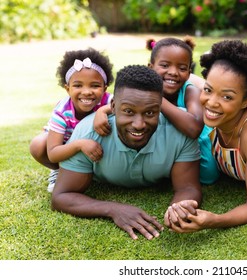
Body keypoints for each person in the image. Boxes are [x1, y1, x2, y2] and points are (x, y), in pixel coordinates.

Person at [51, 65, 202, 240]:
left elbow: (188, 187)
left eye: (150, 112)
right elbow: (61, 196)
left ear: (161, 107)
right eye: (129, 111)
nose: (139, 124)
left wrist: (179, 207)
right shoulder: (87, 134)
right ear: (113, 107)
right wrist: (113, 209)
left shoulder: (179, 131)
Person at [165, 40, 247, 232]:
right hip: (238, 118)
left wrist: (215, 220)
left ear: (246, 100)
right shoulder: (209, 104)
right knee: (228, 108)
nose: (211, 102)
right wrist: (105, 110)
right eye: (208, 89)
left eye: (227, 96)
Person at [29, 48, 114, 192]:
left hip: (98, 146)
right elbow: (53, 153)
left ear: (105, 88)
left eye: (95, 85)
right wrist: (79, 144)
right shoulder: (62, 112)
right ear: (67, 89)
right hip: (67, 146)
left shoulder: (108, 100)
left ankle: (98, 170)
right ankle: (61, 171)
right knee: (37, 145)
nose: (86, 91)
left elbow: (126, 104)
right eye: (78, 85)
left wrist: (103, 110)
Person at [146, 37, 219, 185]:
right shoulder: (142, 90)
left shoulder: (190, 91)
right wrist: (102, 113)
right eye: (165, 65)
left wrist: (157, 99)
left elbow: (193, 129)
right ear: (150, 67)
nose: (173, 72)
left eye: (182, 68)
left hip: (199, 146)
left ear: (189, 72)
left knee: (208, 176)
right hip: (165, 146)